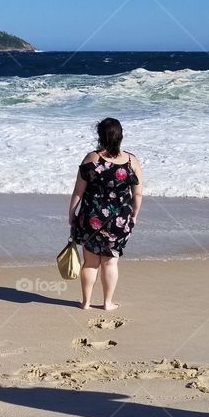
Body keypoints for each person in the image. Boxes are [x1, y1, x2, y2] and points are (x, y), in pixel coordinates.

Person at [67, 117, 143, 311]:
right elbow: (138, 193)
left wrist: (71, 213)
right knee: (110, 263)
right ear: (120, 136)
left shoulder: (91, 159)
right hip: (119, 220)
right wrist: (134, 215)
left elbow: (78, 192)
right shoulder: (131, 161)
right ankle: (107, 303)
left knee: (90, 263)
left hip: (91, 218)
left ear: (100, 136)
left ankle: (85, 303)